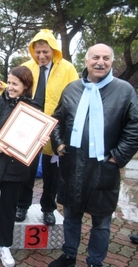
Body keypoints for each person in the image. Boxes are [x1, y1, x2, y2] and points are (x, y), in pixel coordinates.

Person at [49, 43, 138, 267]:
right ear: (86, 61)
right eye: (95, 57)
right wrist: (59, 144)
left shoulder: (124, 90)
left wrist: (117, 157)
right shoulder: (72, 88)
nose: (101, 62)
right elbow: (57, 120)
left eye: (106, 58)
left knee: (101, 221)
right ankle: (69, 255)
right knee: (71, 216)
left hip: (104, 165)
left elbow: (134, 126)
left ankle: (94, 261)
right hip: (73, 164)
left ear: (111, 62)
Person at [0, 66, 48, 267]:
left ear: (26, 86)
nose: (10, 87)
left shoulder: (34, 110)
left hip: (15, 170)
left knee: (8, 209)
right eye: (9, 82)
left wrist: (39, 140)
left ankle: (4, 245)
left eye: (15, 84)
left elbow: (34, 140)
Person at [17, 29, 79, 225]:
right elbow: (14, 88)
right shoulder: (26, 67)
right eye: (38, 52)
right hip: (30, 126)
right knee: (26, 170)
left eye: (45, 51)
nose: (41, 56)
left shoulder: (68, 69)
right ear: (32, 52)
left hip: (55, 127)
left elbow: (75, 96)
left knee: (52, 174)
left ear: (54, 50)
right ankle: (22, 205)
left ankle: (48, 208)